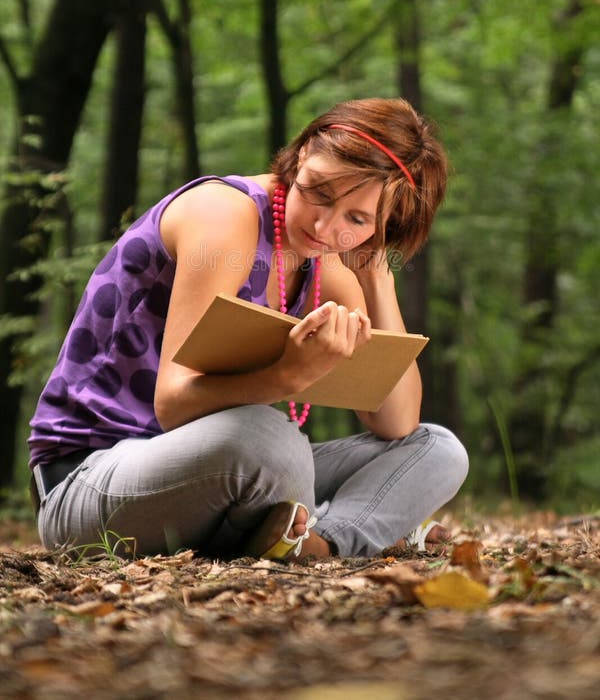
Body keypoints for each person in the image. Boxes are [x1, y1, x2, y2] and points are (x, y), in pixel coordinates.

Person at [29, 97, 468, 560]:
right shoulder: (224, 215)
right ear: (301, 157)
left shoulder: (326, 264)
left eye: (357, 219)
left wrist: (377, 278)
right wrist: (286, 378)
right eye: (318, 191)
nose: (324, 225)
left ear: (384, 226)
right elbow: (174, 404)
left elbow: (394, 421)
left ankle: (318, 541)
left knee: (435, 449)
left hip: (215, 472)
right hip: (87, 482)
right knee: (269, 438)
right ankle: (336, 529)